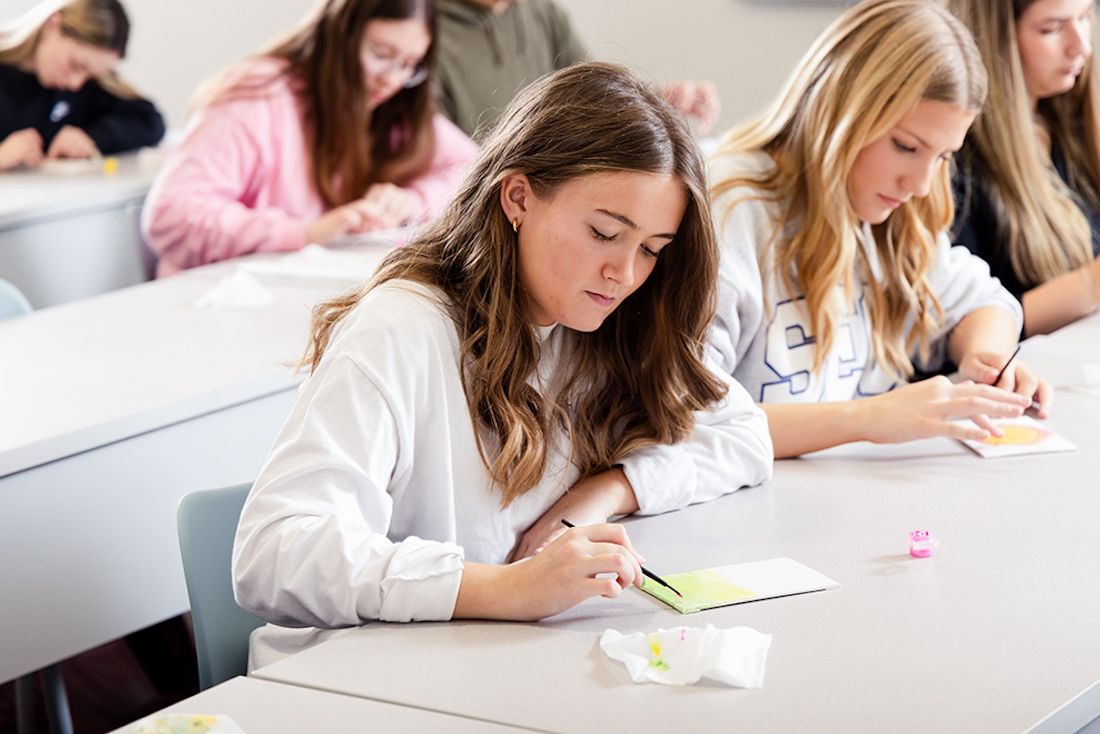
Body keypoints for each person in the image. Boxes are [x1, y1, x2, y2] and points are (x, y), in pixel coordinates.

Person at [233, 61, 773, 666]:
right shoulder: (404, 327)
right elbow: (273, 553)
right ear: (518, 197)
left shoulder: (597, 326)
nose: (624, 274)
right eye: (603, 233)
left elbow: (743, 432)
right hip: (366, 671)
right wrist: (508, 587)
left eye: (650, 250)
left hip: (486, 660)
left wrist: (600, 494)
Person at [707, 0, 1052, 460]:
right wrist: (871, 419)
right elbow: (690, 419)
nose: (921, 184)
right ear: (842, 111)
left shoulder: (883, 212)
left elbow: (983, 301)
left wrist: (987, 361)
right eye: (906, 146)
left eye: (943, 156)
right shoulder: (730, 210)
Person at [142, 0, 478, 277]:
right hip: (211, 301)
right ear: (339, 34)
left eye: (409, 65)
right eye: (380, 54)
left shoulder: (393, 107)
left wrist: (414, 200)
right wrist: (303, 233)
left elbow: (475, 168)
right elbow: (171, 213)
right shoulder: (260, 95)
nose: (391, 80)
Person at [949, 0, 1100, 336]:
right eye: (1052, 28)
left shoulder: (1070, 124)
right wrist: (1091, 284)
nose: (1082, 47)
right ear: (994, 38)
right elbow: (961, 328)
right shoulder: (952, 155)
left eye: (1085, 17)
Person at [433, 0, 719, 139]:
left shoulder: (539, 10)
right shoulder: (418, 34)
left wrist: (658, 99)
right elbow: (437, 155)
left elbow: (593, 93)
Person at [0, 0, 164, 171]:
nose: (75, 83)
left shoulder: (86, 88)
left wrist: (93, 137)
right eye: (75, 65)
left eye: (91, 75)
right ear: (52, 24)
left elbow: (149, 121)